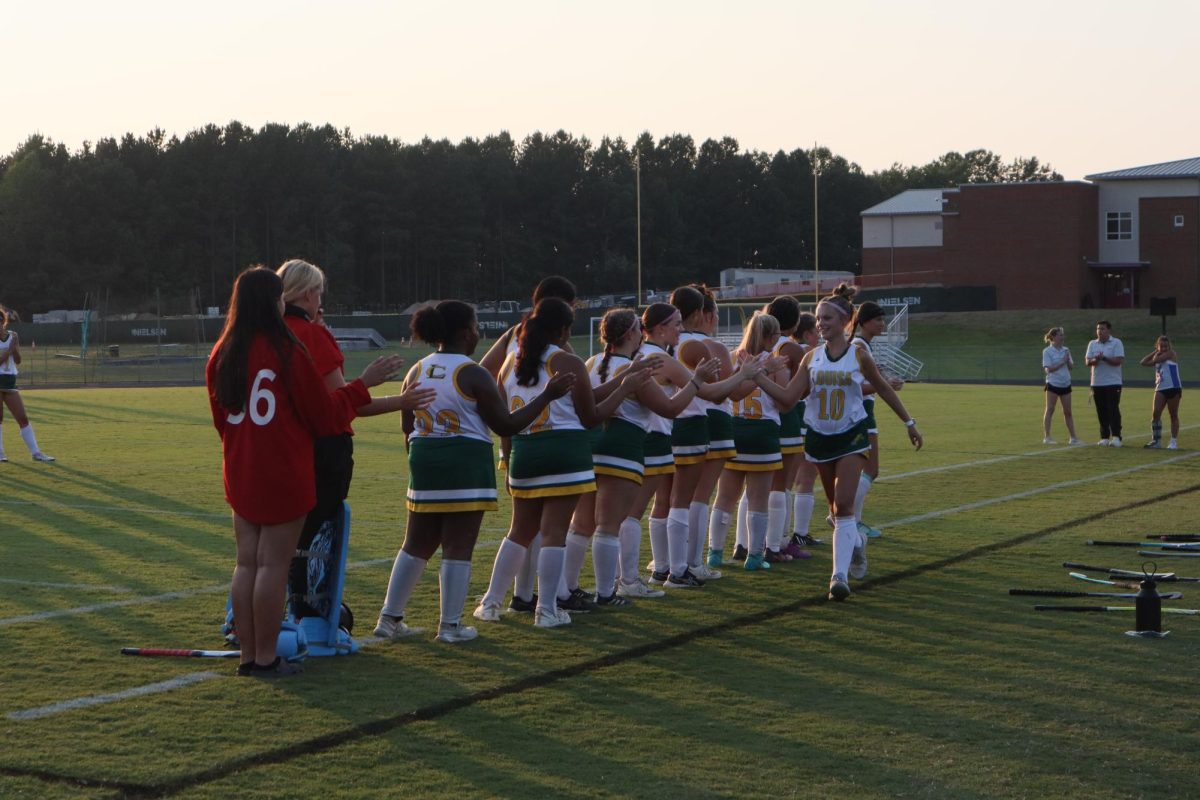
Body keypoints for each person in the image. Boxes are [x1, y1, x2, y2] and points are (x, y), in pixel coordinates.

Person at [206, 266, 399, 676]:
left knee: (246, 565)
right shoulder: (286, 350)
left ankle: (247, 656)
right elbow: (325, 415)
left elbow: (221, 420)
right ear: (274, 301)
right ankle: (264, 657)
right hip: (284, 470)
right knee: (273, 567)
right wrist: (363, 383)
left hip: (240, 467)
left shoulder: (222, 351)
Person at [373, 301, 573, 642]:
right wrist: (547, 396)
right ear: (467, 332)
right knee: (458, 544)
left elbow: (408, 425)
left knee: (415, 543)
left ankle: (388, 620)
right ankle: (450, 626)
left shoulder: (417, 368)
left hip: (423, 458)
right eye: (477, 325)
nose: (479, 332)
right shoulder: (473, 372)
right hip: (463, 460)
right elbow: (505, 424)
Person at [473, 298, 649, 628]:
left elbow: (506, 419)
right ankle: (547, 610)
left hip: (524, 454)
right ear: (564, 329)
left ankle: (491, 602)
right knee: (554, 533)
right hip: (565, 453)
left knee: (518, 532)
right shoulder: (567, 360)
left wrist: (508, 459)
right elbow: (591, 417)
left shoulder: (511, 361)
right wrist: (625, 389)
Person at [276, 259, 435, 619]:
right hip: (323, 449)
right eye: (318, 291)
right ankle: (310, 609)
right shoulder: (313, 336)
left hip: (280, 445)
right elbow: (342, 406)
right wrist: (400, 401)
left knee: (277, 537)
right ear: (308, 292)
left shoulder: (268, 332)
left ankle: (269, 613)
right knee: (316, 534)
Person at [753, 284, 922, 601]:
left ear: (844, 321)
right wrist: (757, 377)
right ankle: (857, 543)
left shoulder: (858, 354)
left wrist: (909, 423)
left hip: (851, 436)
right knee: (835, 511)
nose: (820, 323)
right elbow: (789, 400)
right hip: (819, 438)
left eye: (827, 318)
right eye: (817, 318)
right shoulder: (810, 358)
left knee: (843, 507)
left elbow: (884, 388)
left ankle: (838, 577)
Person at [557, 308, 714, 606]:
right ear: (632, 334)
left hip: (590, 446)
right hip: (623, 447)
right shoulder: (634, 370)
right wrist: (696, 381)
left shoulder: (591, 362)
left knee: (581, 524)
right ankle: (606, 593)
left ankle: (567, 588)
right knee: (608, 525)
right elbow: (668, 409)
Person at [478, 276, 577, 613]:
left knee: (522, 528)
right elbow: (587, 405)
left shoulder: (513, 343)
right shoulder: (560, 351)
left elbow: (484, 376)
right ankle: (546, 603)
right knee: (550, 531)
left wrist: (506, 446)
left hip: (520, 442)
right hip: (556, 442)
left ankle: (506, 599)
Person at [849, 301, 905, 539]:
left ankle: (852, 520)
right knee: (871, 469)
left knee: (865, 470)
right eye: (877, 320)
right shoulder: (858, 346)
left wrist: (885, 384)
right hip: (860, 414)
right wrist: (882, 386)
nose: (882, 324)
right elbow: (852, 387)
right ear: (863, 322)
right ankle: (845, 516)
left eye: (883, 319)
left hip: (863, 413)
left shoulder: (863, 346)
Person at [0, 304, 54, 463]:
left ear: (4, 321)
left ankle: (36, 453)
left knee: (22, 418)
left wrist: (14, 348)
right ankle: (1, 453)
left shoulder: (12, 335)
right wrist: (8, 351)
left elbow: (18, 360)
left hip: (9, 382)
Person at [1086, 320, 1124, 447]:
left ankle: (1116, 437)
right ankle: (1104, 437)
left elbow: (1118, 361)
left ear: (1109, 330)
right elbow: (1087, 362)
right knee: (1101, 410)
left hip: (1113, 382)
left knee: (1113, 409)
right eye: (1098, 329)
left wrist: (1104, 358)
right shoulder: (1092, 343)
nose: (1099, 331)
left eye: (1102, 329)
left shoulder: (1116, 342)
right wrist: (1095, 360)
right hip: (1097, 382)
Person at [1140, 335, 1182, 450]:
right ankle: (1156, 440)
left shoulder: (1171, 353)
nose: (1164, 348)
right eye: (1161, 346)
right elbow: (1143, 362)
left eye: (1166, 346)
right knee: (1155, 414)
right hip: (1160, 388)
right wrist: (1155, 351)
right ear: (1157, 346)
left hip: (1173, 387)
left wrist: (1156, 354)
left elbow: (1156, 360)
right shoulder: (1158, 354)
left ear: (1169, 346)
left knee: (1173, 415)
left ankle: (1173, 441)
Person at [1041, 326, 1080, 445]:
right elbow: (1048, 369)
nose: (1062, 337)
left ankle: (1073, 438)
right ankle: (1047, 437)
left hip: (1066, 384)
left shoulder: (1066, 350)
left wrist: (1067, 360)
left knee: (1068, 411)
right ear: (1053, 337)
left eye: (1063, 335)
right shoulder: (1047, 351)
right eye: (1060, 335)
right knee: (1050, 409)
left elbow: (1071, 367)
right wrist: (1062, 361)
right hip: (1053, 383)